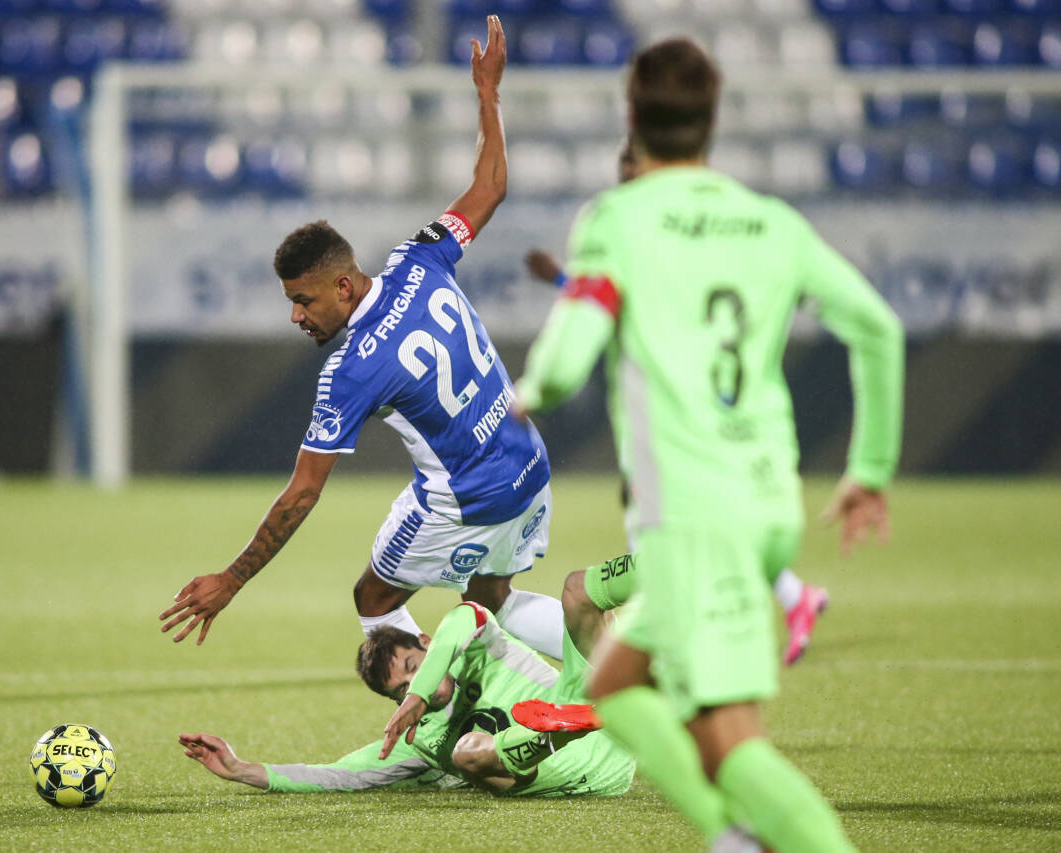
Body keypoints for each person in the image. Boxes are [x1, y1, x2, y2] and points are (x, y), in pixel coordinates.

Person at [512, 38, 903, 853]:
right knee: (614, 680)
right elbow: (876, 326)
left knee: (733, 740)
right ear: (711, 121)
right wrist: (868, 468)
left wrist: (529, 391)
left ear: (632, 115)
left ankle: (753, 835)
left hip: (693, 516)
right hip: (765, 501)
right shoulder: (772, 222)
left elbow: (567, 360)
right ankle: (732, 838)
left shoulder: (616, 217)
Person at [159, 16, 566, 661]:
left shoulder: (350, 367)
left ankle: (436, 722)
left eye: (302, 300)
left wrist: (231, 580)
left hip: (468, 497)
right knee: (493, 598)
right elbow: (490, 187)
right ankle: (622, 658)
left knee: (374, 600)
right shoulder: (420, 258)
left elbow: (303, 492)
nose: (296, 317)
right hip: (530, 463)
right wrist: (488, 93)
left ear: (343, 287)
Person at [522, 141, 830, 667]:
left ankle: (695, 646)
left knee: (667, 543)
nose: (629, 185)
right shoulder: (651, 236)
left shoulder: (649, 236)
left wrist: (537, 388)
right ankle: (780, 603)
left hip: (676, 419)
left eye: (633, 173)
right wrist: (560, 279)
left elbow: (623, 308)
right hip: (680, 420)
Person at [180, 554, 639, 797]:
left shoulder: (476, 640)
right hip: (580, 775)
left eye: (413, 670)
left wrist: (418, 692)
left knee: (579, 589)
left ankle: (677, 561)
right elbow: (340, 775)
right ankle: (556, 732)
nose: (415, 689)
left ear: (425, 642)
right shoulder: (419, 736)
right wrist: (242, 769)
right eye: (400, 690)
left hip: (602, 714)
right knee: (467, 755)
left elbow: (464, 617)